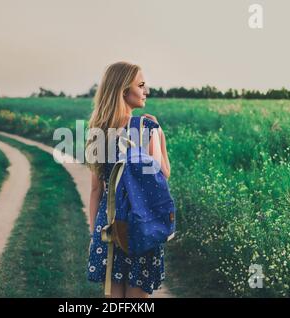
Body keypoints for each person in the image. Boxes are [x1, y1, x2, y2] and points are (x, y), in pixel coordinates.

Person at [85, 61, 171, 298]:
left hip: (109, 222)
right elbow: (162, 173)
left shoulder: (98, 131)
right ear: (124, 91)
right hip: (140, 221)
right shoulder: (145, 128)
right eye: (141, 85)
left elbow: (95, 190)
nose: (147, 91)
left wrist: (95, 232)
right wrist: (159, 135)